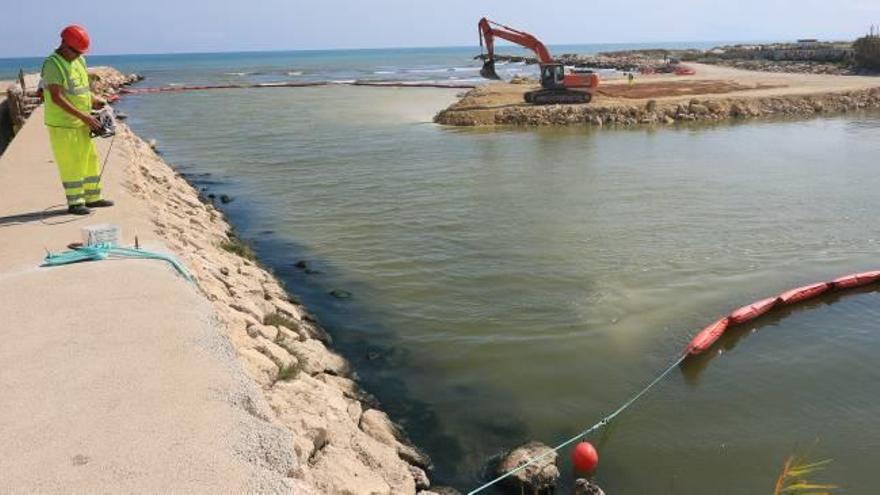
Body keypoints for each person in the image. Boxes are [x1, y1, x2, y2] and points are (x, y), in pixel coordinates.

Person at [41, 25, 113, 215]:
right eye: (75, 51)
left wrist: (93, 100)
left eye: (80, 52)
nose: (77, 55)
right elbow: (57, 97)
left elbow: (80, 90)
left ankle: (93, 197)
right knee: (71, 163)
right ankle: (75, 203)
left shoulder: (79, 60)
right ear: (64, 43)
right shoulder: (53, 64)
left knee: (90, 159)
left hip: (81, 121)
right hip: (63, 125)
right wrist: (85, 116)